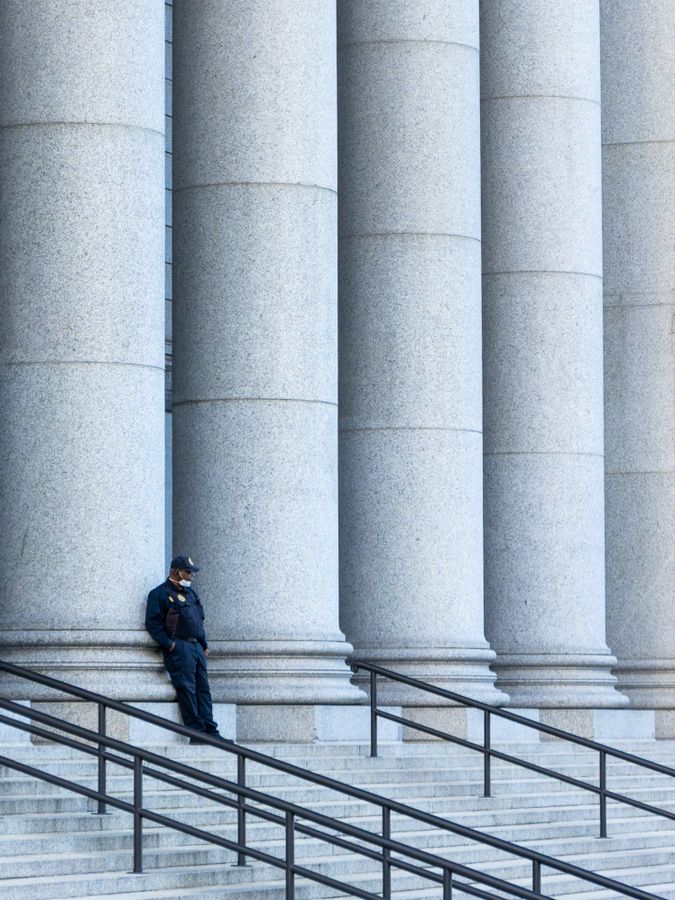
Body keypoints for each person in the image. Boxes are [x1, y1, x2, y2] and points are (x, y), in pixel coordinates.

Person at [146, 556, 229, 744]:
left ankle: (210, 729)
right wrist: (169, 644)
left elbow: (198, 621)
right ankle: (197, 732)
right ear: (177, 571)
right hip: (180, 646)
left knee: (203, 689)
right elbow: (153, 622)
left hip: (196, 647)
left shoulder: (191, 594)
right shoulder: (160, 594)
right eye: (188, 572)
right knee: (187, 689)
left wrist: (204, 644)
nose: (191, 575)